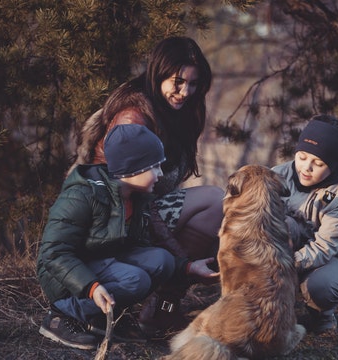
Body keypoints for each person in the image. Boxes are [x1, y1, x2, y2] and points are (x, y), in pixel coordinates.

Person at [68, 36, 224, 330]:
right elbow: (125, 198)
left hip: (144, 210)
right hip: (114, 221)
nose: (184, 92)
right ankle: (148, 307)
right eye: (177, 81)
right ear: (158, 73)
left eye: (192, 84)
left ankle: (163, 309)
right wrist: (183, 261)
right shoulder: (133, 117)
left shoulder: (180, 111)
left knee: (217, 206)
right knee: (215, 201)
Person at [37, 124, 219, 350]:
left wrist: (188, 267)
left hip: (102, 263)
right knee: (136, 279)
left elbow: (141, 247)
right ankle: (60, 315)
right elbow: (53, 253)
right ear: (132, 169)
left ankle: (101, 319)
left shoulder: (135, 197)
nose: (160, 174)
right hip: (65, 278)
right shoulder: (82, 195)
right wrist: (91, 287)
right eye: (155, 167)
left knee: (162, 260)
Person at [272, 114, 338, 334]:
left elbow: (324, 247)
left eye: (318, 163)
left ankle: (322, 315)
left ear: (334, 164)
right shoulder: (276, 175)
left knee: (322, 287)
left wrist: (285, 265)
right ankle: (268, 310)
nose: (306, 167)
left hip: (324, 259)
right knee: (286, 224)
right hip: (280, 251)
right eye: (302, 157)